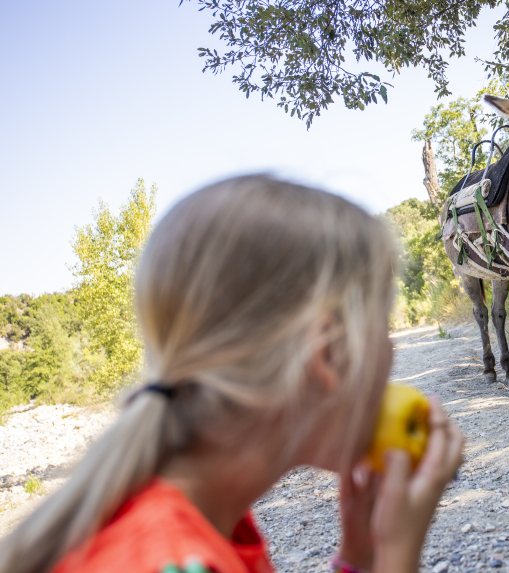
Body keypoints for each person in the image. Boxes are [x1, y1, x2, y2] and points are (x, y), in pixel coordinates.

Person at [0, 175, 464, 573]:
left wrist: (361, 560)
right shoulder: (169, 557)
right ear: (327, 355)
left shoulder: (203, 526)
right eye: (380, 324)